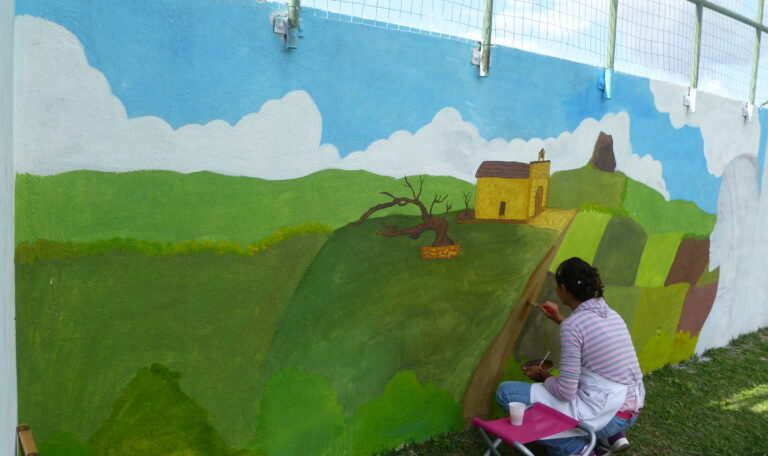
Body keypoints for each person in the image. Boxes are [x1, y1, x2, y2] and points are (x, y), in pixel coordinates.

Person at [495, 257, 644, 456]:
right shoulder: (611, 314)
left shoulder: (573, 326)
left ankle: (578, 450)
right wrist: (559, 319)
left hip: (608, 413)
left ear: (563, 289)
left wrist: (541, 375)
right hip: (630, 409)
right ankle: (611, 438)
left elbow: (565, 392)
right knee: (584, 385)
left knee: (506, 393)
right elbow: (589, 337)